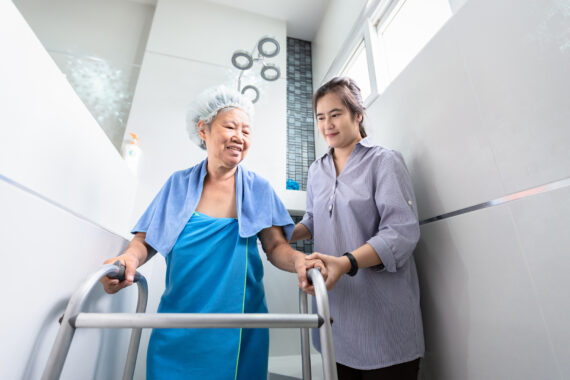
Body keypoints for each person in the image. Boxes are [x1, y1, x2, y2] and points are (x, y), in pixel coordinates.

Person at [101, 86, 326, 380]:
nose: (239, 137)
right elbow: (146, 240)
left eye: (246, 131)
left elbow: (275, 247)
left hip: (240, 326)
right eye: (230, 126)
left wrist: (298, 260)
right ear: (203, 129)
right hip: (179, 322)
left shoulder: (258, 188)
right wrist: (129, 258)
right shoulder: (178, 185)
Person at [291, 77, 424, 379]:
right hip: (337, 313)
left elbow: (400, 232)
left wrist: (346, 262)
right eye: (321, 117)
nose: (327, 124)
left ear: (358, 114)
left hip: (383, 317)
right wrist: (279, 233)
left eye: (335, 114)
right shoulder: (316, 170)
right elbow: (313, 219)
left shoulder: (384, 161)